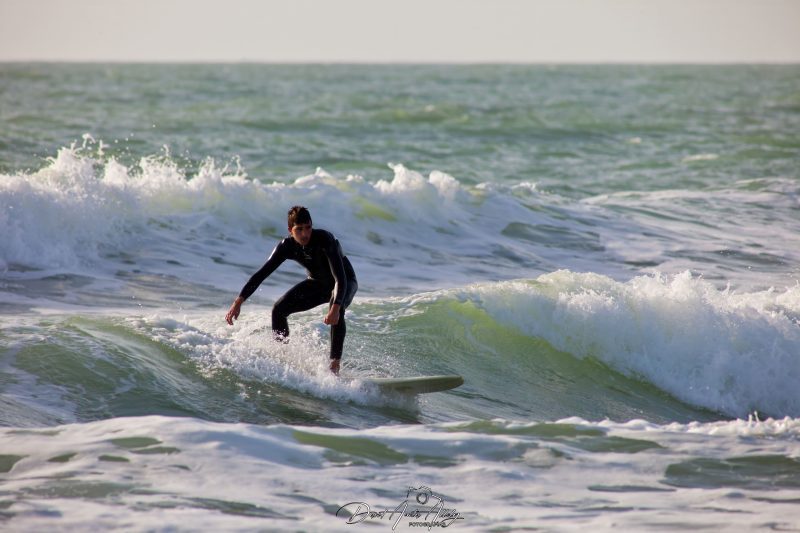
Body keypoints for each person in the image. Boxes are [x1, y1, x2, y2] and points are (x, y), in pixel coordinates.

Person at [225, 206, 358, 375]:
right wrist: (238, 301)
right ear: (290, 230)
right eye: (299, 229)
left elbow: (340, 279)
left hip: (345, 281)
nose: (305, 234)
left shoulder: (325, 239)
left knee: (336, 307)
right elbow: (261, 274)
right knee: (279, 310)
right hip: (317, 284)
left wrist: (336, 308)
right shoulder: (286, 246)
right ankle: (283, 358)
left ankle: (334, 366)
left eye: (308, 227)